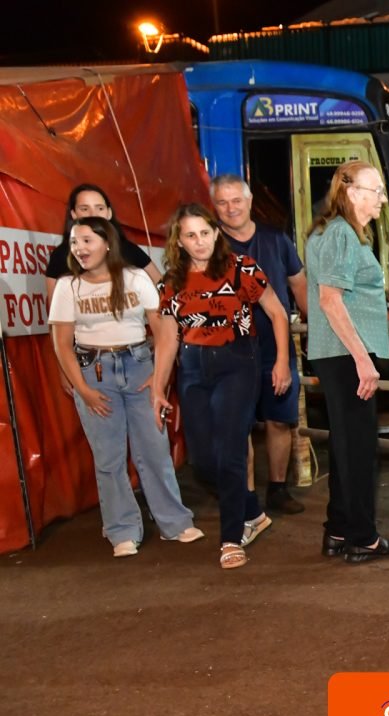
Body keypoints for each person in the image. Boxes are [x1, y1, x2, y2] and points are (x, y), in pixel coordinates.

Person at [47, 217, 203, 558]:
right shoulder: (67, 286)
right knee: (108, 456)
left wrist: (158, 376)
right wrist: (83, 389)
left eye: (86, 240)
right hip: (93, 372)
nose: (79, 248)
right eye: (74, 242)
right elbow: (61, 344)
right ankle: (122, 530)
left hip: (138, 365)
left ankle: (174, 522)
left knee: (154, 448)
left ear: (107, 243)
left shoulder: (134, 278)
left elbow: (164, 329)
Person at [151, 204, 291, 570]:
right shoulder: (171, 282)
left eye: (205, 233)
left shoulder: (242, 268)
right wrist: (157, 388)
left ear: (216, 234)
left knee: (230, 451)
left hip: (237, 363)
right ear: (179, 242)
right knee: (202, 461)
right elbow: (167, 340)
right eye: (190, 235)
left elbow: (277, 312)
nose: (199, 241)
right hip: (192, 368)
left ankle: (231, 538)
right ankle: (252, 512)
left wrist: (281, 361)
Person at [304, 161, 389, 565]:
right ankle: (362, 538)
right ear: (351, 193)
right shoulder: (340, 234)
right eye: (375, 190)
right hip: (347, 355)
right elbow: (330, 300)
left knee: (347, 445)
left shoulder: (333, 232)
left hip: (339, 354)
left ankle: (339, 530)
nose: (382, 198)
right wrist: (363, 359)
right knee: (359, 449)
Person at [211, 175, 309, 515]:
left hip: (275, 346)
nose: (230, 208)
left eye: (236, 200)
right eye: (222, 202)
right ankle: (246, 496)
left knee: (279, 419)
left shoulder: (276, 239)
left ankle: (278, 489)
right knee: (239, 425)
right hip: (231, 351)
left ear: (250, 201)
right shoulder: (210, 245)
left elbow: (299, 285)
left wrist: (315, 330)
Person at [45, 185, 162, 395]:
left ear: (109, 213)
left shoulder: (131, 254)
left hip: (137, 358)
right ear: (73, 214)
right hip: (88, 363)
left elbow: (164, 292)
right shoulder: (62, 258)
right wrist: (64, 369)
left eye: (99, 208)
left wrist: (161, 345)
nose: (93, 214)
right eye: (84, 209)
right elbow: (56, 322)